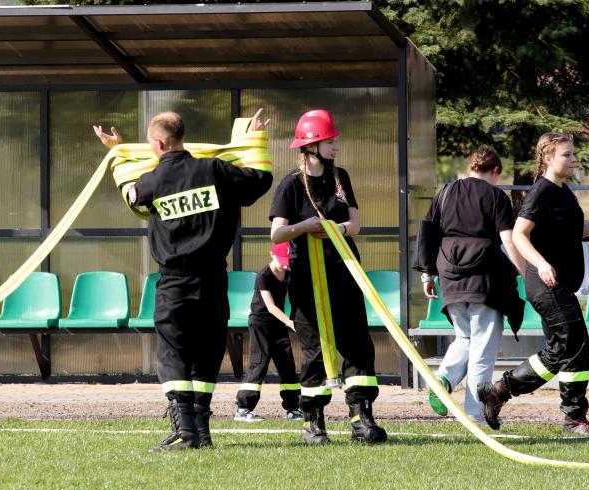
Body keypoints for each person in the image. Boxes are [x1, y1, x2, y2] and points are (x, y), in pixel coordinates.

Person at [94, 110, 273, 451]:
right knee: (208, 351)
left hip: (175, 282)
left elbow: (130, 193)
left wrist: (118, 151)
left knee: (173, 352)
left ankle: (185, 431)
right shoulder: (214, 170)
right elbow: (260, 179)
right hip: (214, 278)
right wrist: (255, 139)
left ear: (158, 143)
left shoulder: (152, 180)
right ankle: (201, 431)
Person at [477, 132, 589, 435]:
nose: (573, 160)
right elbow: (519, 235)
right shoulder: (540, 192)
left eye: (573, 154)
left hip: (560, 285)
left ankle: (569, 416)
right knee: (568, 347)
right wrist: (541, 263)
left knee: (573, 349)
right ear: (548, 158)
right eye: (566, 155)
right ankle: (503, 391)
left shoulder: (563, 191)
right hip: (545, 284)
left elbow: (572, 231)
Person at [269, 109, 387, 445]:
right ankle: (313, 422)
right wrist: (305, 227)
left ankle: (361, 419)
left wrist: (338, 229)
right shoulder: (291, 184)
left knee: (357, 344)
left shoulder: (340, 177)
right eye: (330, 141)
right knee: (315, 350)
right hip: (307, 278)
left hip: (344, 272)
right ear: (311, 146)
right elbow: (277, 234)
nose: (336, 146)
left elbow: (355, 225)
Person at [416, 146, 526, 425]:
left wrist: (427, 274)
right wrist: (525, 271)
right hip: (484, 278)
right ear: (495, 171)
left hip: (449, 273)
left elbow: (427, 232)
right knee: (483, 348)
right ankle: (474, 414)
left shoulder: (445, 192)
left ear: (471, 168)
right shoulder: (496, 196)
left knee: (465, 337)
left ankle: (443, 379)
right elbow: (508, 239)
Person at [233, 241, 303, 422]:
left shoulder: (288, 274)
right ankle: (243, 409)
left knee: (287, 365)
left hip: (278, 325)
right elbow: (270, 307)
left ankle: (293, 408)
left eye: (288, 260)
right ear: (272, 254)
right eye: (282, 260)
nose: (286, 264)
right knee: (259, 364)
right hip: (260, 324)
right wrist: (290, 322)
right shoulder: (263, 275)